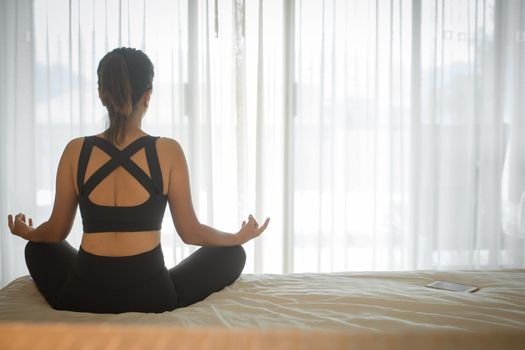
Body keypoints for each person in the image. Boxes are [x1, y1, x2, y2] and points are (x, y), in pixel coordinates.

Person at [6, 47, 270, 314]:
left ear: (101, 94)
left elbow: (56, 231)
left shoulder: (76, 150)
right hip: (151, 295)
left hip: (83, 293)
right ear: (148, 97)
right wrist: (237, 236)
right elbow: (190, 232)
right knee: (233, 253)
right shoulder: (168, 151)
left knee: (37, 249)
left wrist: (28, 233)